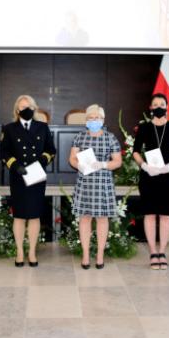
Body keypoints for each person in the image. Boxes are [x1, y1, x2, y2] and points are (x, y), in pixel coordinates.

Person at [0, 95, 56, 267]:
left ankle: (32, 251)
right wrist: (15, 165)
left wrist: (42, 160)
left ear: (34, 108)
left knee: (34, 215)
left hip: (36, 176)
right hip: (18, 177)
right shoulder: (9, 128)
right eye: (23, 107)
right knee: (19, 216)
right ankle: (19, 251)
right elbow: (4, 152)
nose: (27, 110)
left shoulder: (42, 127)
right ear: (17, 110)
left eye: (30, 106)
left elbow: (51, 150)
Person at [132, 93, 169, 269]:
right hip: (149, 176)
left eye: (162, 104)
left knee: (165, 214)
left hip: (167, 175)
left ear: (167, 107)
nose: (159, 107)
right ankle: (153, 252)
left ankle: (162, 252)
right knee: (149, 214)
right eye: (155, 104)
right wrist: (144, 166)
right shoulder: (144, 127)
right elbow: (136, 151)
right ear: (151, 108)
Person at [68, 104, 122, 269]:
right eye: (90, 118)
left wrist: (103, 164)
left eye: (96, 117)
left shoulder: (110, 138)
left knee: (102, 219)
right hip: (85, 183)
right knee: (85, 218)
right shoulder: (79, 137)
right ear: (86, 120)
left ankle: (100, 255)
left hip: (103, 183)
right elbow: (72, 158)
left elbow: (117, 162)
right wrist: (78, 165)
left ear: (103, 120)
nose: (93, 120)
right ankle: (85, 255)